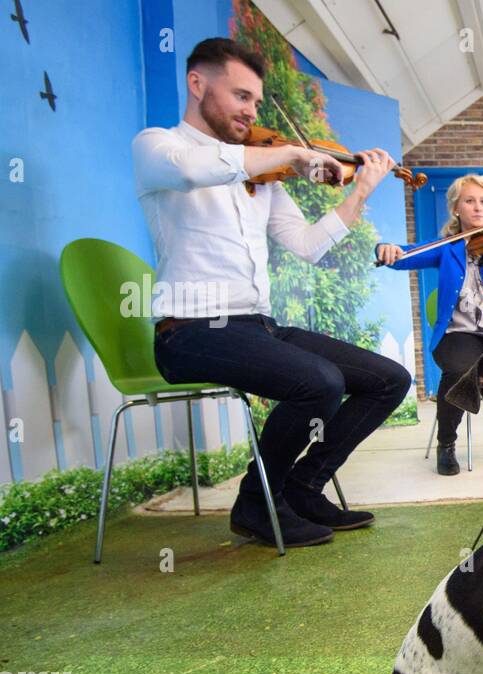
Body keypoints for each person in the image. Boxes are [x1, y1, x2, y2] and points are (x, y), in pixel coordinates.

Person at [133, 38, 411, 548]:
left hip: (257, 325)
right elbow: (194, 170)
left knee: (388, 379)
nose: (251, 111)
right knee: (320, 383)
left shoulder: (263, 175)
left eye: (256, 102)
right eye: (241, 96)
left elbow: (307, 246)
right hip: (190, 330)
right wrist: (289, 154)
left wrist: (360, 192)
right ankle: (257, 504)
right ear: (197, 84)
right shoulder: (157, 146)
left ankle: (304, 484)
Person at [375, 176, 483, 475]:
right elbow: (407, 255)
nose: (478, 207)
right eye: (470, 201)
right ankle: (446, 444)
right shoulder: (447, 248)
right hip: (456, 333)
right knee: (461, 370)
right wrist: (387, 249)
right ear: (455, 209)